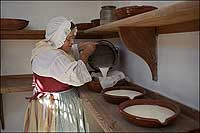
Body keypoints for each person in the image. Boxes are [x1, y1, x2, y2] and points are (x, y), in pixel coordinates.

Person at [24, 16, 96, 132]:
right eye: (68, 39)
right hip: (58, 105)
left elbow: (67, 52)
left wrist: (82, 46)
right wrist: (85, 54)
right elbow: (76, 76)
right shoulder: (55, 57)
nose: (72, 42)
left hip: (45, 103)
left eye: (73, 38)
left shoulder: (45, 48)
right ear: (58, 38)